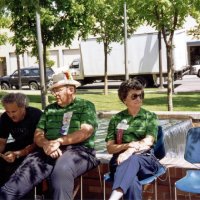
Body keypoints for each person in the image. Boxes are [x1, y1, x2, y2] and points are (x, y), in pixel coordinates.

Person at [0, 71, 99, 200]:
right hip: (48, 150)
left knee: (62, 170)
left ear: (71, 89)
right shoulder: (49, 109)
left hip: (79, 151)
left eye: (58, 90)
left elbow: (85, 132)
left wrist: (58, 142)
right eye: (53, 91)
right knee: (21, 176)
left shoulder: (86, 106)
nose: (55, 94)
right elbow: (38, 134)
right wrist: (46, 144)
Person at [105, 79, 162, 200]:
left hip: (145, 160)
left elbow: (149, 141)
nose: (139, 98)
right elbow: (110, 148)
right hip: (120, 161)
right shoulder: (116, 119)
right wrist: (127, 146)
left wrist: (129, 151)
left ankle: (114, 197)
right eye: (134, 96)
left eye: (141, 95)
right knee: (131, 181)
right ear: (124, 99)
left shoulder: (149, 117)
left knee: (133, 159)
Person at [0, 92, 42, 186]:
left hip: (36, 147)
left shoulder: (35, 115)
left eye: (14, 111)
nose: (11, 115)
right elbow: (2, 141)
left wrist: (17, 154)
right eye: (8, 112)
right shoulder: (5, 117)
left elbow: (37, 142)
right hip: (18, 145)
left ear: (23, 107)